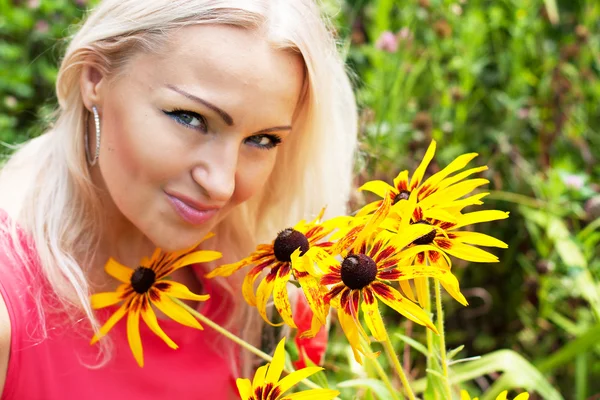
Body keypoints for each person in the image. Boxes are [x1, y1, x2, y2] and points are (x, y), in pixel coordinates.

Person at [0, 0, 357, 398]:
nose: (221, 185)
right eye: (190, 118)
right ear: (95, 78)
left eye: (262, 140)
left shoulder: (264, 298)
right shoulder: (9, 311)